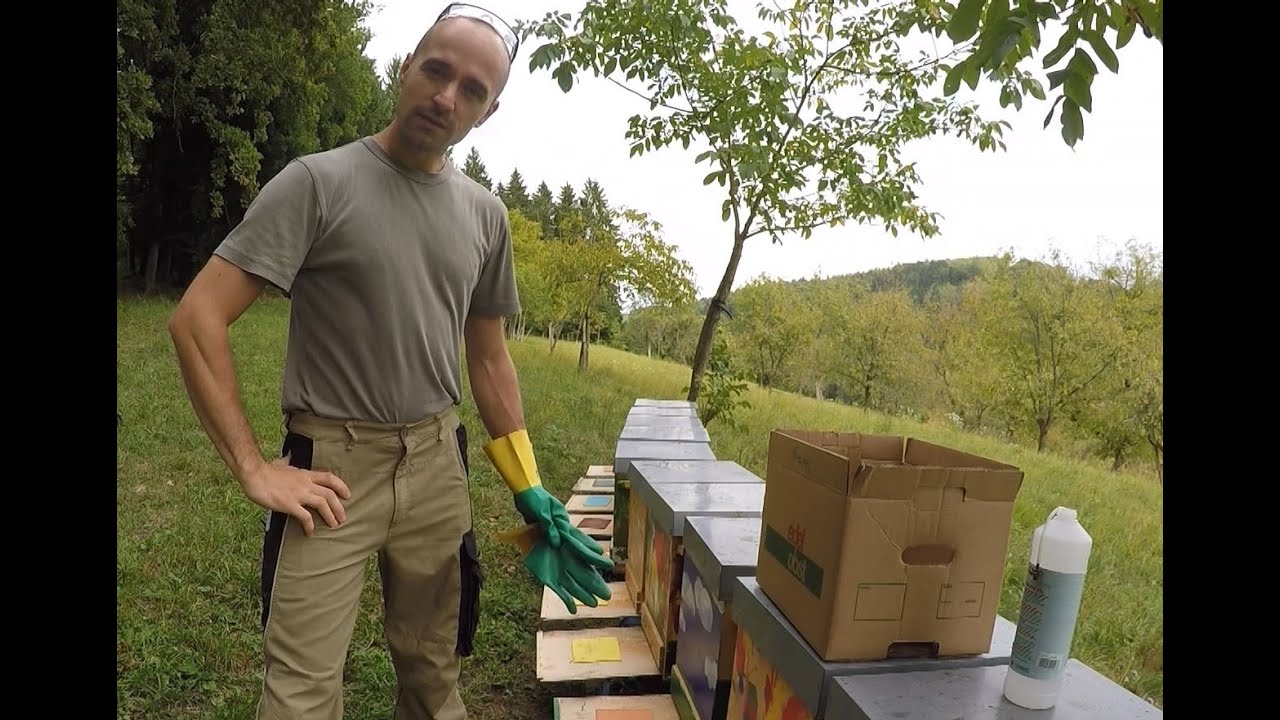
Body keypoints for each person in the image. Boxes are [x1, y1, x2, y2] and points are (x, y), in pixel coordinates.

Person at [166, 4, 612, 719]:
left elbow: (490, 357)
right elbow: (197, 320)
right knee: (300, 697)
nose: (446, 96)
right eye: (437, 70)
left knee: (435, 679)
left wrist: (526, 485)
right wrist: (254, 468)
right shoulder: (318, 182)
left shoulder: (484, 215)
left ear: (488, 111)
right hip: (333, 473)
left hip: (439, 466)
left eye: (472, 89)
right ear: (407, 66)